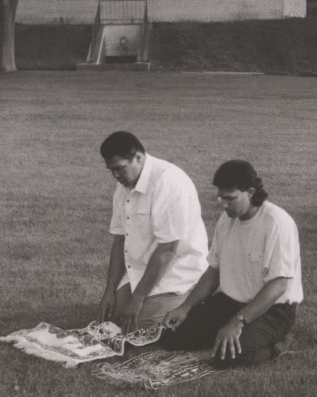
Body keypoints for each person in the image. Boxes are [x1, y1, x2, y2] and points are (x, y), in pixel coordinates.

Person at [162, 160, 303, 368]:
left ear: (251, 192)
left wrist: (237, 322)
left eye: (230, 198)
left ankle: (282, 344)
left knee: (228, 356)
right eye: (221, 197)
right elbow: (213, 271)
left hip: (274, 309)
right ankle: (222, 339)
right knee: (173, 337)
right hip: (230, 302)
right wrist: (184, 308)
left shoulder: (277, 223)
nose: (223, 204)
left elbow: (278, 285)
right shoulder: (226, 220)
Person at [97, 131, 208, 333]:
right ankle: (143, 302)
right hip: (140, 270)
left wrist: (138, 299)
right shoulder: (123, 184)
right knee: (112, 322)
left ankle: (193, 301)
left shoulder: (169, 182)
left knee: (138, 329)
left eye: (120, 169)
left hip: (177, 272)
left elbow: (168, 250)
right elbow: (120, 238)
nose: (115, 176)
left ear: (138, 157)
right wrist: (110, 291)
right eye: (111, 170)